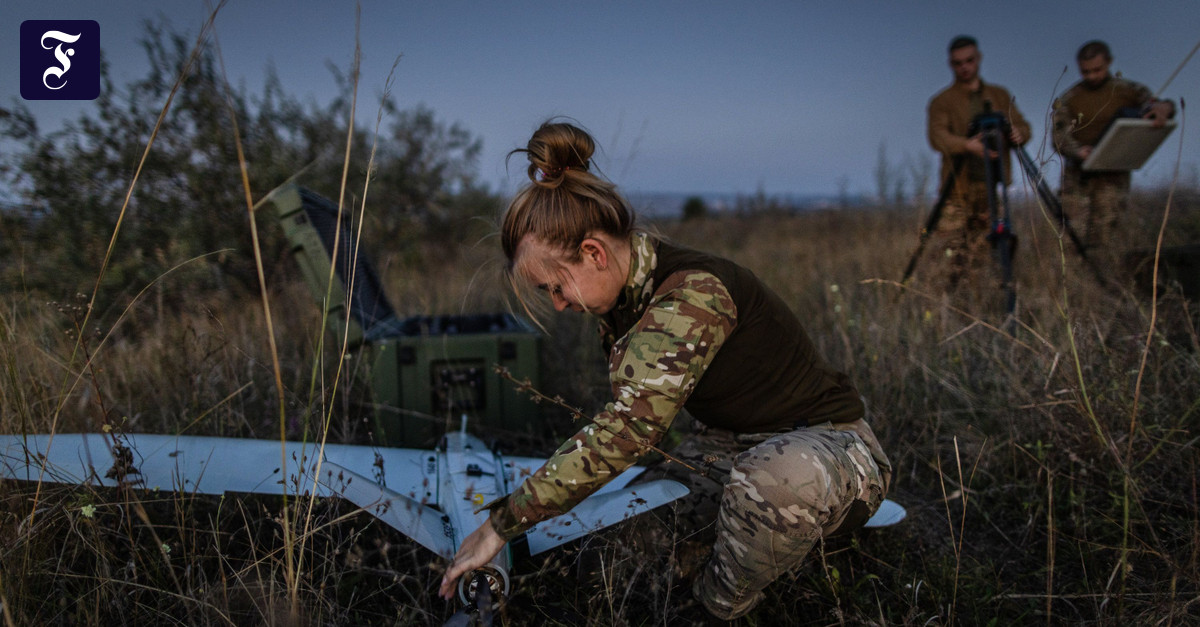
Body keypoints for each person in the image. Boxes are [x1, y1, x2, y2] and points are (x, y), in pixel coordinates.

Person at [437, 121, 891, 621]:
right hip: (727, 448)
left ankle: (718, 608)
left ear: (593, 253)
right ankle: (741, 547)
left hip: (827, 447)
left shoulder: (692, 294)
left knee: (775, 482)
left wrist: (501, 524)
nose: (560, 304)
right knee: (607, 558)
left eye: (556, 287)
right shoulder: (622, 300)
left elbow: (628, 430)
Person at [925, 35, 1031, 298]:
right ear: (951, 64)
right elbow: (937, 137)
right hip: (957, 189)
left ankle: (984, 300)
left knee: (986, 252)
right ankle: (949, 302)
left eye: (969, 61)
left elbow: (1022, 126)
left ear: (978, 59)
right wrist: (966, 145)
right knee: (950, 252)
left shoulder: (999, 95)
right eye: (958, 63)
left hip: (990, 187)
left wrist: (1017, 134)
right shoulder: (942, 101)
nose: (964, 67)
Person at [1052, 40, 1175, 255]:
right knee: (1072, 237)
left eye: (1097, 70)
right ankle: (1076, 275)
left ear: (1108, 63)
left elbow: (1156, 105)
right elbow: (1058, 136)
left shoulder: (1128, 91)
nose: (1092, 76)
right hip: (1078, 176)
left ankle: (1106, 273)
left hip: (1113, 175)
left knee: (1107, 236)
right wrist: (1078, 151)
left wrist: (1165, 107)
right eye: (1085, 71)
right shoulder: (1069, 98)